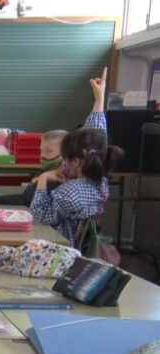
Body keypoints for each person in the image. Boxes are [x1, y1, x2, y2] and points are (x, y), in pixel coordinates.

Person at [31, 67, 123, 246]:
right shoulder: (100, 181)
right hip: (75, 253)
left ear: (76, 161)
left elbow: (38, 217)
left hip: (60, 252)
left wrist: (42, 180)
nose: (63, 163)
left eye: (65, 158)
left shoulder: (70, 192)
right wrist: (99, 99)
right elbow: (96, 136)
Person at [0, 128, 68, 206]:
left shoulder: (56, 180)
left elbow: (25, 200)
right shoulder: (45, 172)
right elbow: (26, 196)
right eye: (41, 151)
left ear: (64, 154)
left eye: (48, 151)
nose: (42, 156)